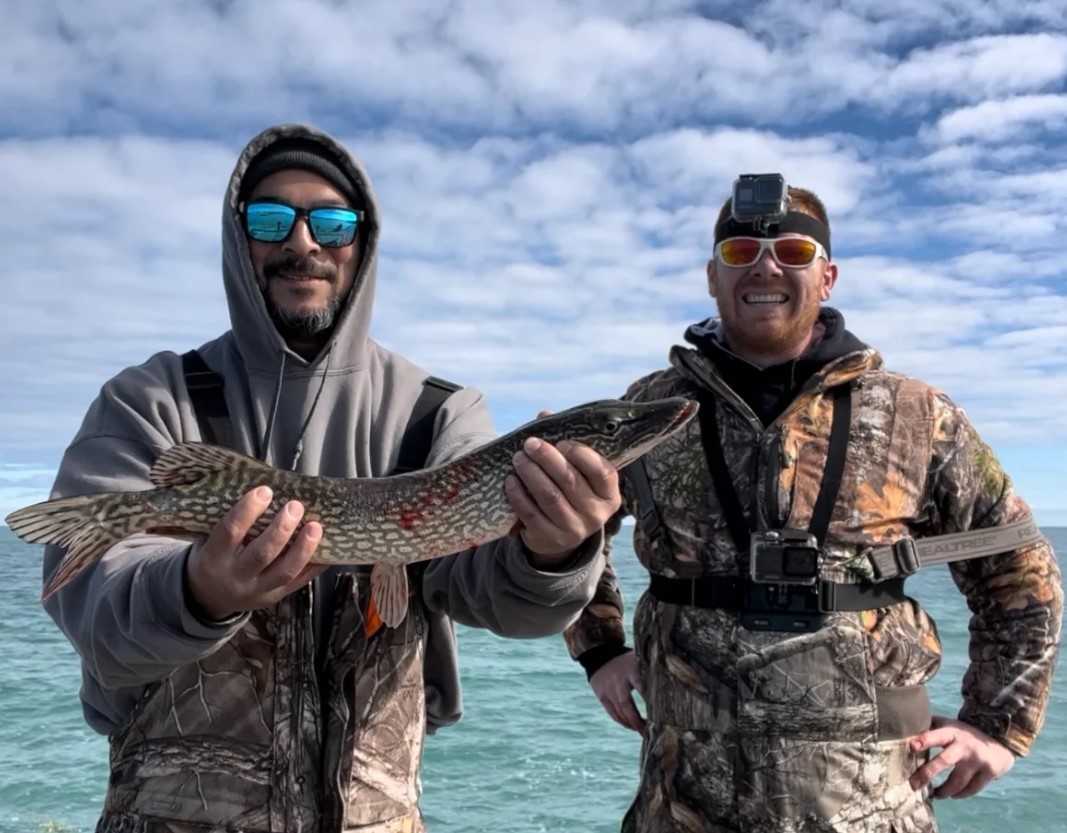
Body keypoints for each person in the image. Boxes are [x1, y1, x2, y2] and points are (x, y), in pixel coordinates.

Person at [41, 123, 621, 833]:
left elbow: (504, 601)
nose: (303, 243)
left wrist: (555, 552)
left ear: (363, 241)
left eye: (332, 221)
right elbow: (91, 612)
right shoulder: (152, 398)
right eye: (271, 219)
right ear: (238, 238)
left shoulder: (438, 413)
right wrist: (198, 589)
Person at [564, 181, 1063, 832]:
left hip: (872, 803)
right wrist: (599, 648)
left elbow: (1017, 566)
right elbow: (571, 528)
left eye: (791, 250)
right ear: (713, 277)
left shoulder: (915, 413)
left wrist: (997, 724)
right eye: (741, 250)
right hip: (681, 800)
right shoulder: (652, 408)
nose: (765, 265)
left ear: (825, 277)